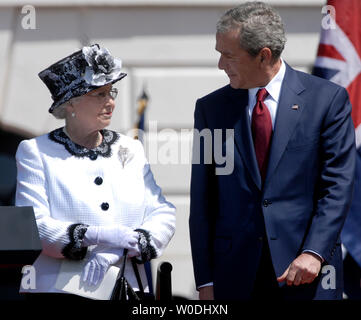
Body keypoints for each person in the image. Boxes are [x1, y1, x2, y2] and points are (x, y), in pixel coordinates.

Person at [189, 2, 355, 300]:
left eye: (228, 55)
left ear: (263, 55)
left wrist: (313, 252)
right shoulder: (210, 110)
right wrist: (205, 280)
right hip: (234, 278)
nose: (220, 65)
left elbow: (338, 186)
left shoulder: (327, 101)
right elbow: (203, 200)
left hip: (305, 274)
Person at [15, 44, 176, 300]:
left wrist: (123, 248)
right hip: (59, 291)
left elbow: (162, 212)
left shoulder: (130, 148)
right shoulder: (35, 151)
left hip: (128, 289)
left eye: (110, 92)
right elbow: (32, 227)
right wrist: (96, 235)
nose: (111, 101)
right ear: (71, 104)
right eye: (99, 94)